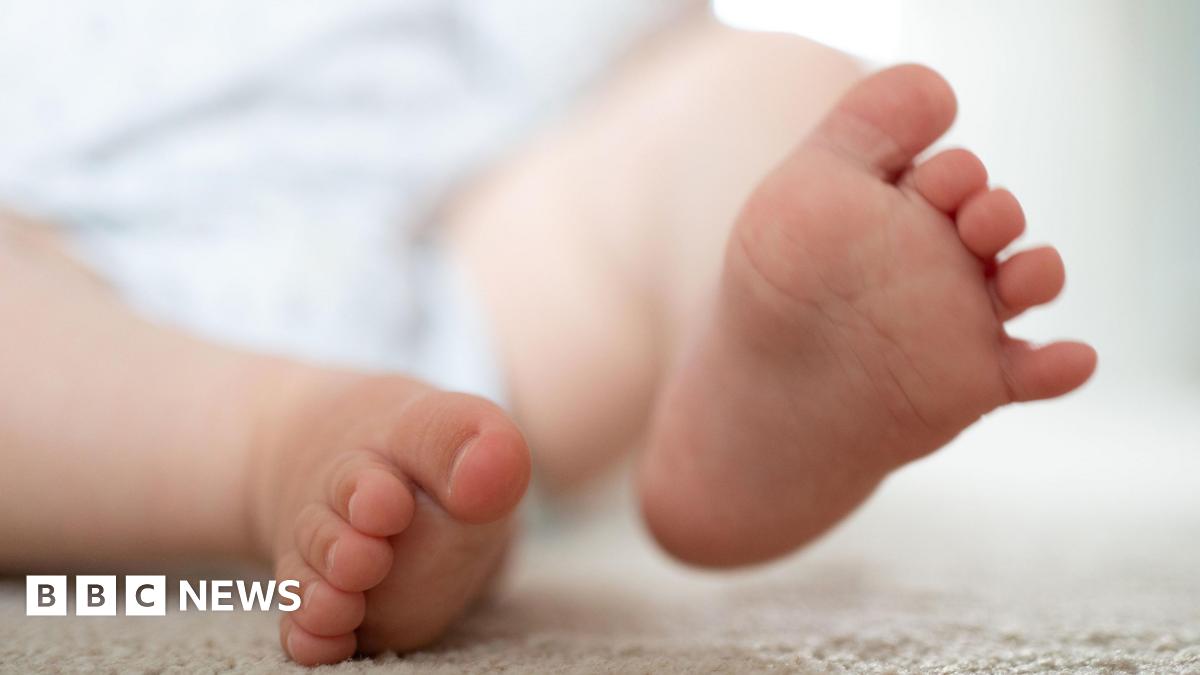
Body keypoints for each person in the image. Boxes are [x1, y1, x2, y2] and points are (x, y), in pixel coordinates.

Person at [0, 3, 1095, 666]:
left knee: (773, 87)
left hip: (458, 252)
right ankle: (276, 450)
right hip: (55, 276)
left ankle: (735, 383)